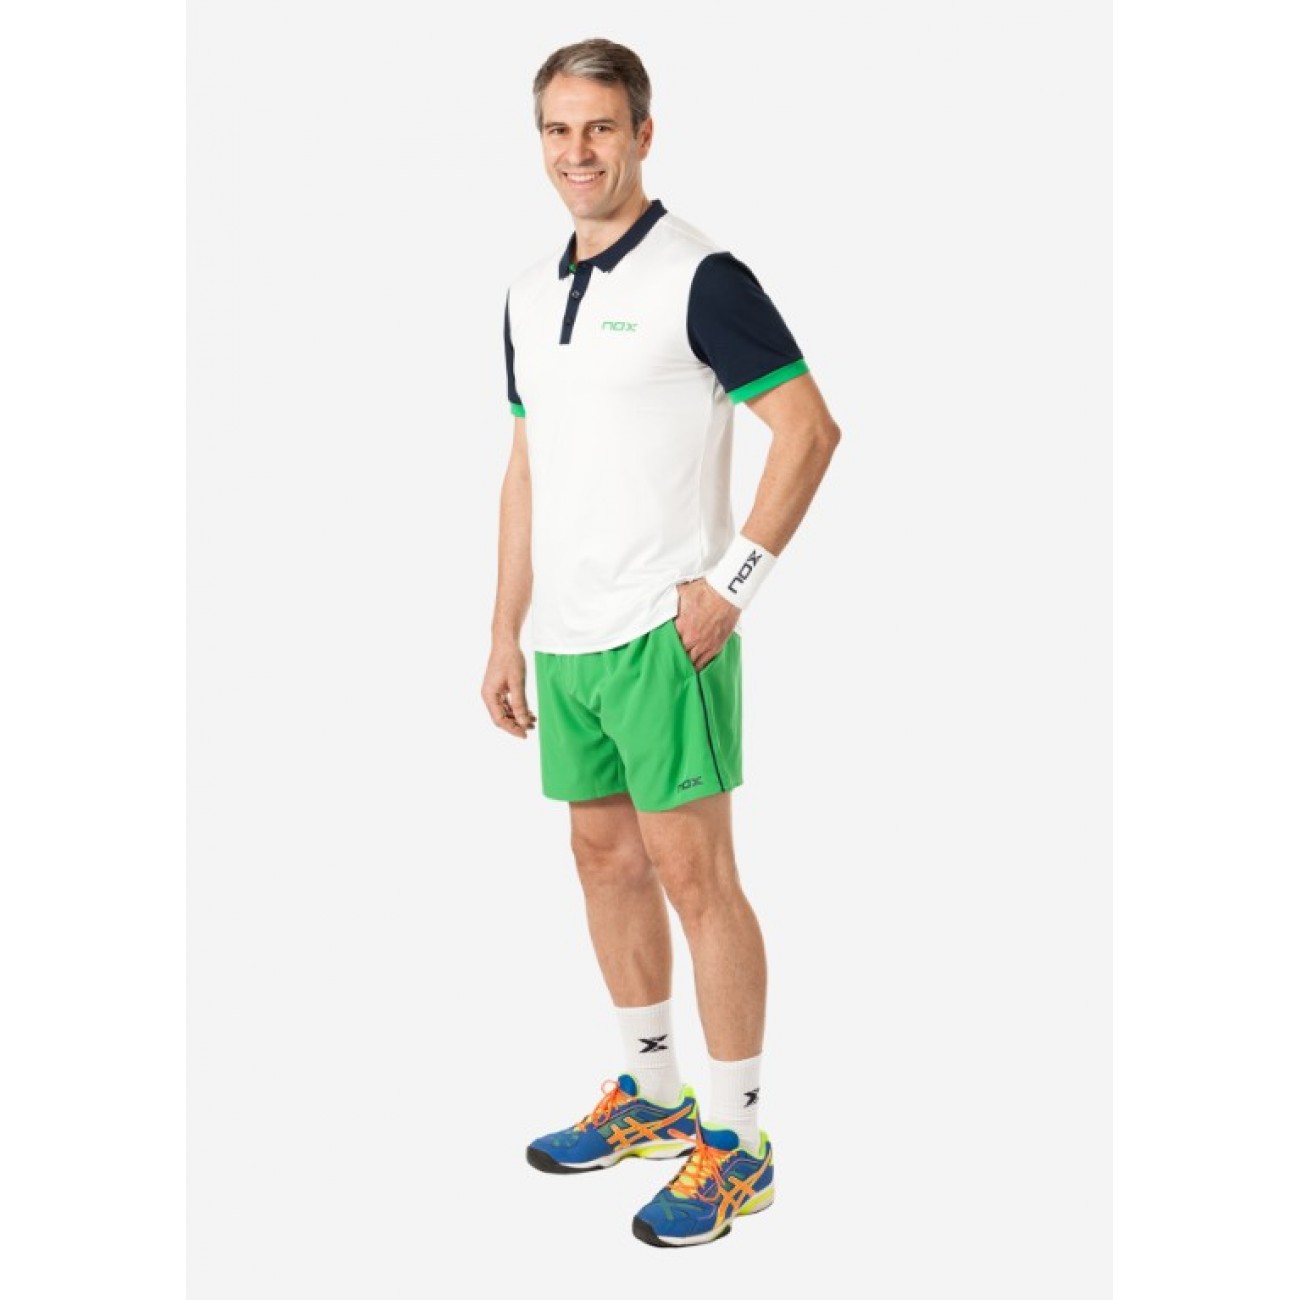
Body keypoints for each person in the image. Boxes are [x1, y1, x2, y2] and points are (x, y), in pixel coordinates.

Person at [481, 37, 840, 1249]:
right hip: (568, 638)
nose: (576, 151)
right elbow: (527, 466)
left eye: (599, 127)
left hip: (662, 635)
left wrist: (730, 589)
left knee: (697, 876)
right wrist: (504, 628)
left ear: (643, 133)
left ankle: (736, 1144)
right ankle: (649, 1094)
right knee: (601, 860)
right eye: (557, 129)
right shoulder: (525, 293)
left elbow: (808, 429)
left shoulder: (702, 275)